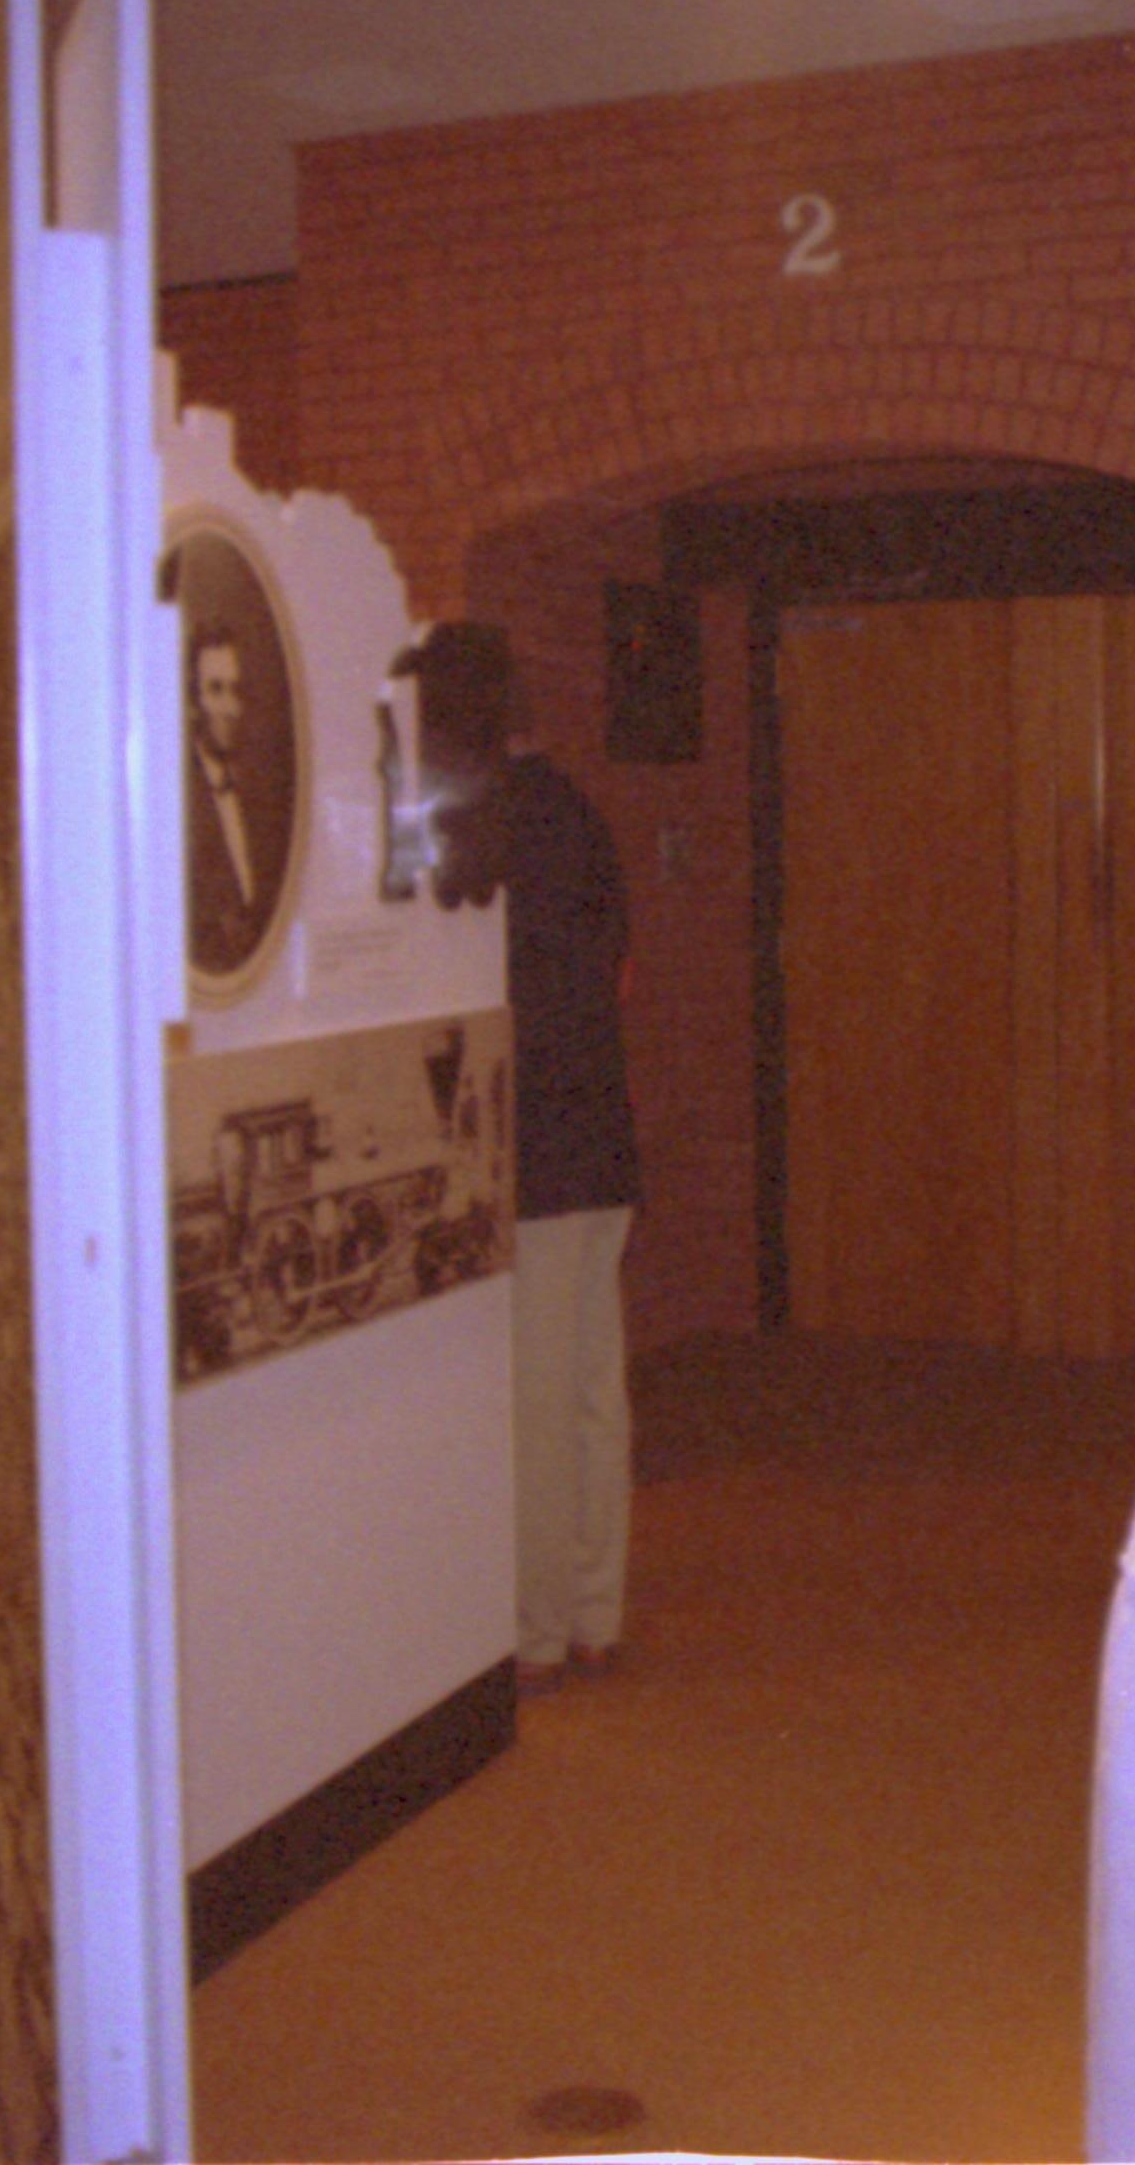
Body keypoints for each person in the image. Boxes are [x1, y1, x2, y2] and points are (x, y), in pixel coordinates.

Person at [502, 654, 639, 1691]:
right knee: (595, 1389)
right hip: (600, 1143)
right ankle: (597, 1607)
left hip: (534, 1151)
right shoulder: (580, 816)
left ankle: (537, 1629)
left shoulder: (488, 829)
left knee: (537, 1399)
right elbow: (617, 976)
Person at [186, 613, 284, 976]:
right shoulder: (180, 810)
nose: (229, 707)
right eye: (215, 689)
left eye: (235, 690)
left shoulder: (257, 800)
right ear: (192, 702)